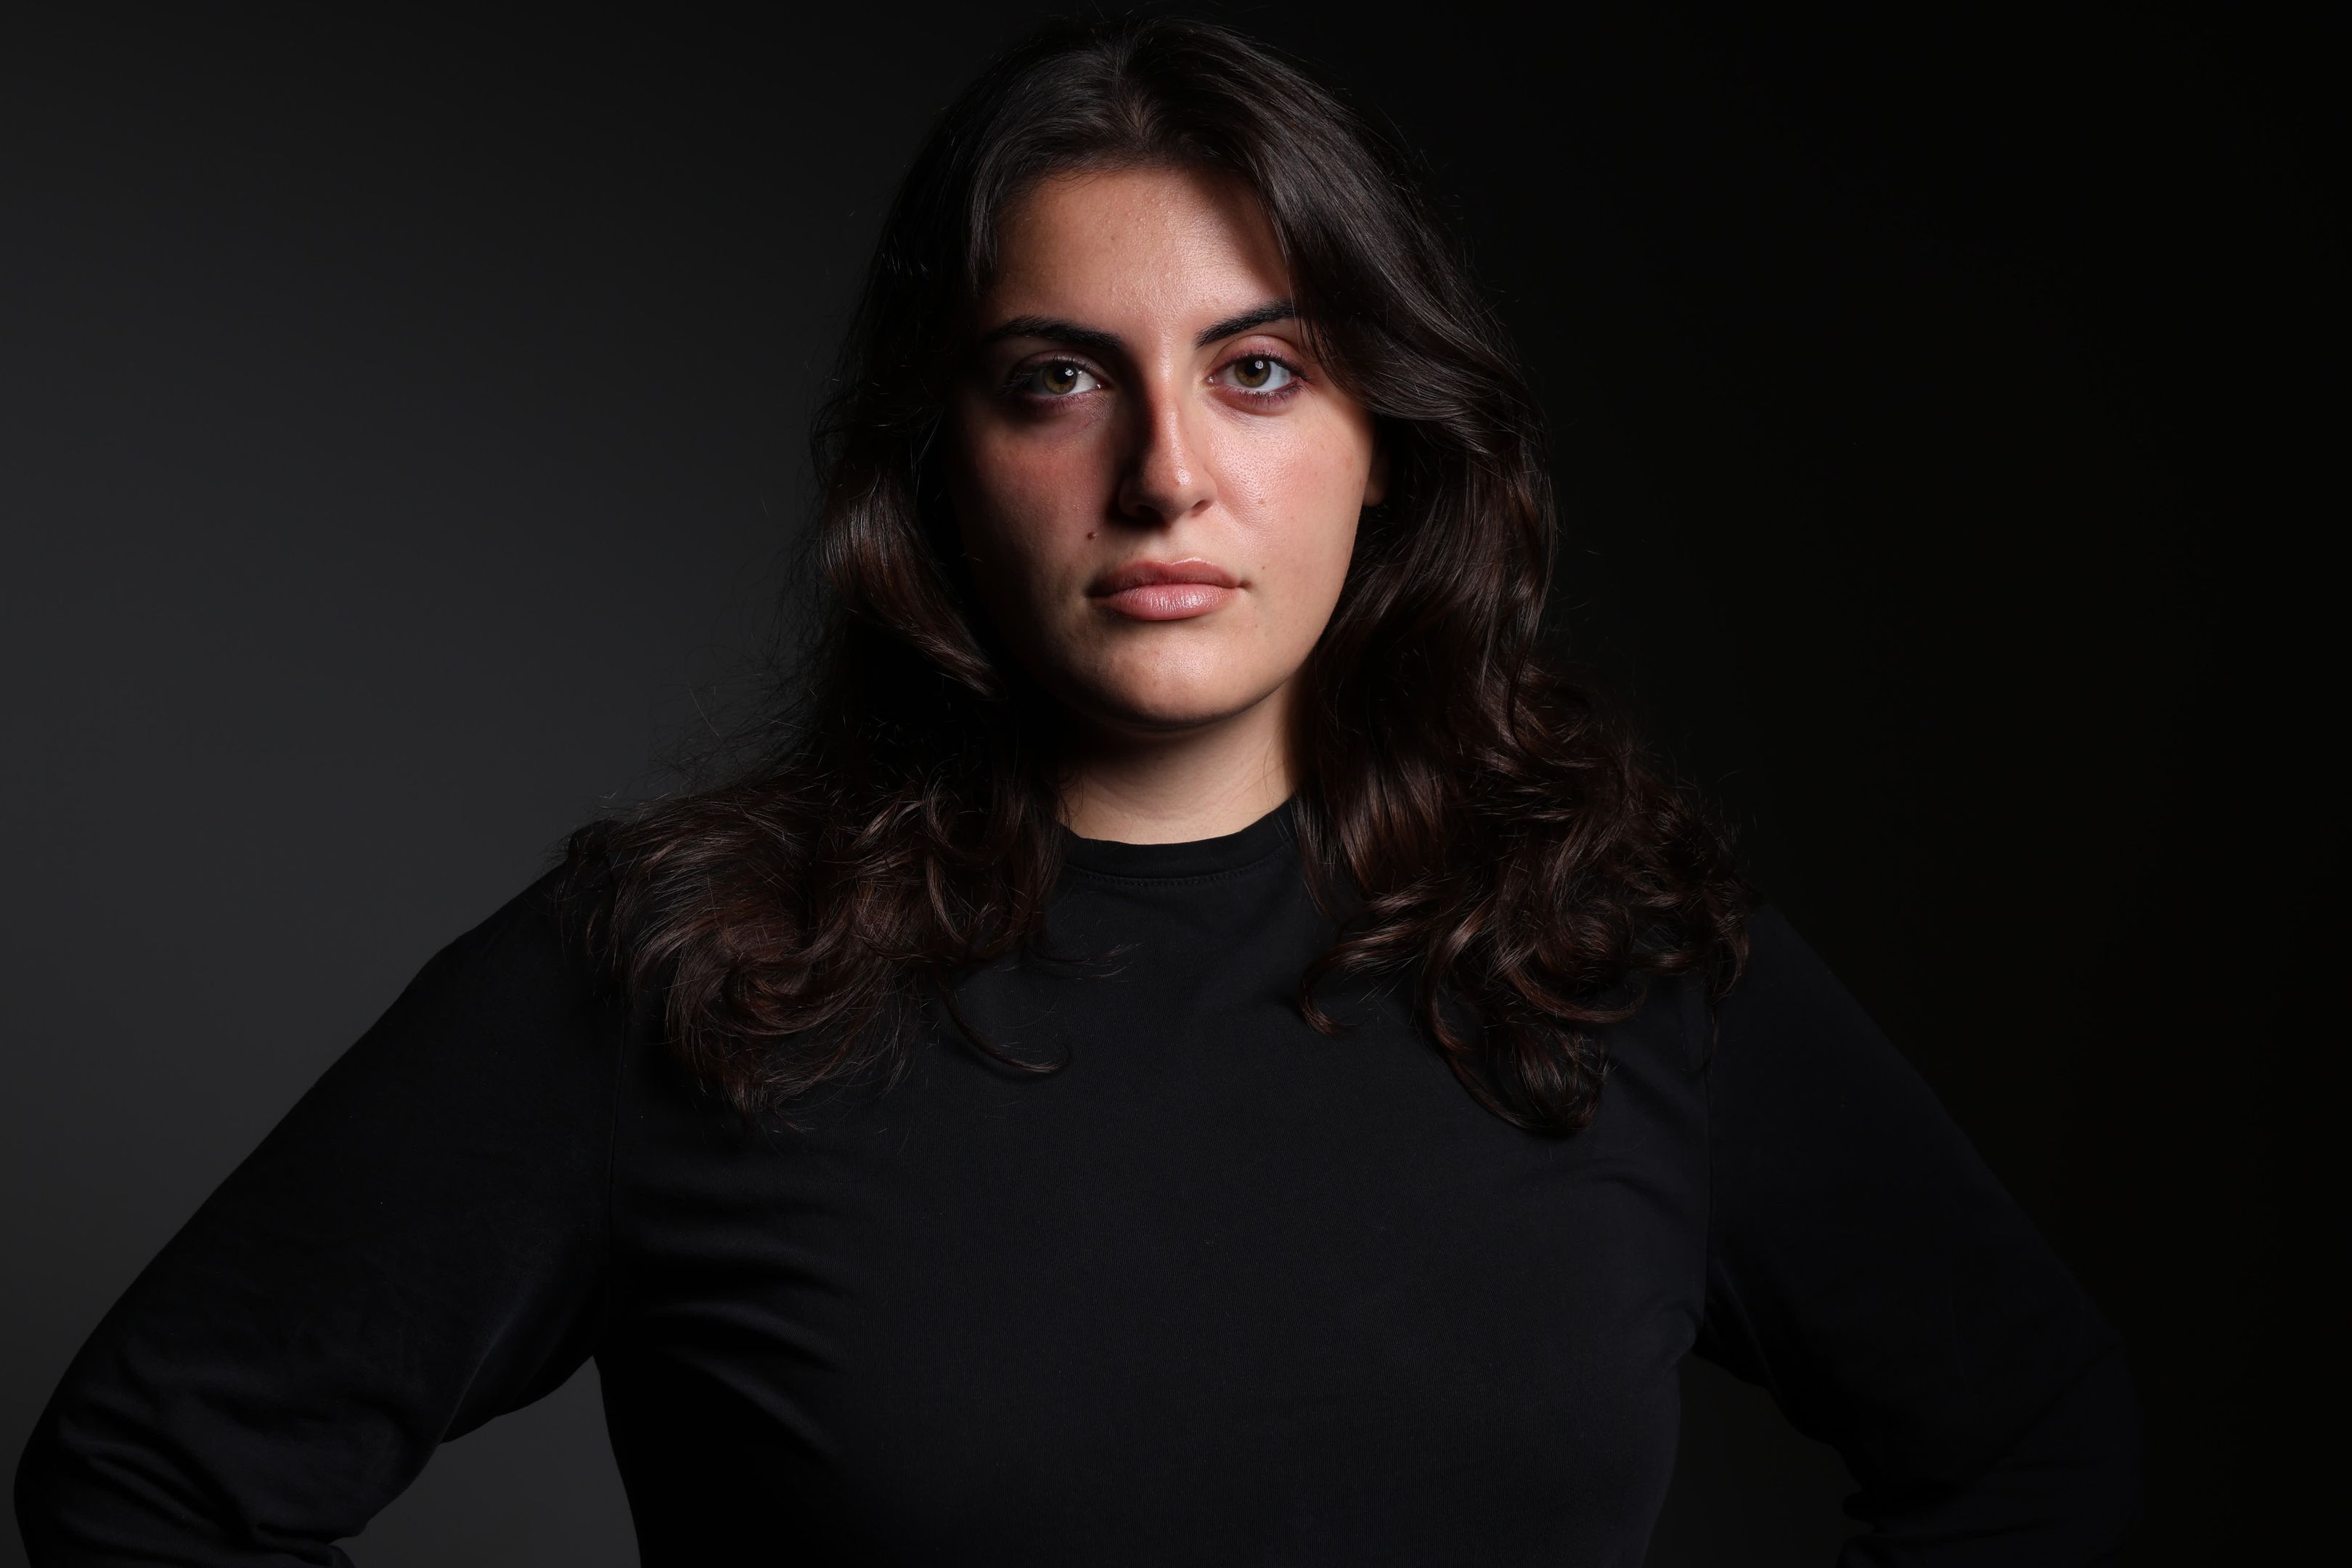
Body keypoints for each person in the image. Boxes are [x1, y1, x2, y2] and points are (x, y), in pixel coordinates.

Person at [15, 15, 2141, 1565]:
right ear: (941, 461)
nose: (1166, 475)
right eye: (1058, 380)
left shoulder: (1615, 963)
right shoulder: (685, 976)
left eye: (1259, 369)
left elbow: (2033, 1452)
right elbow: (150, 1486)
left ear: (1386, 443)